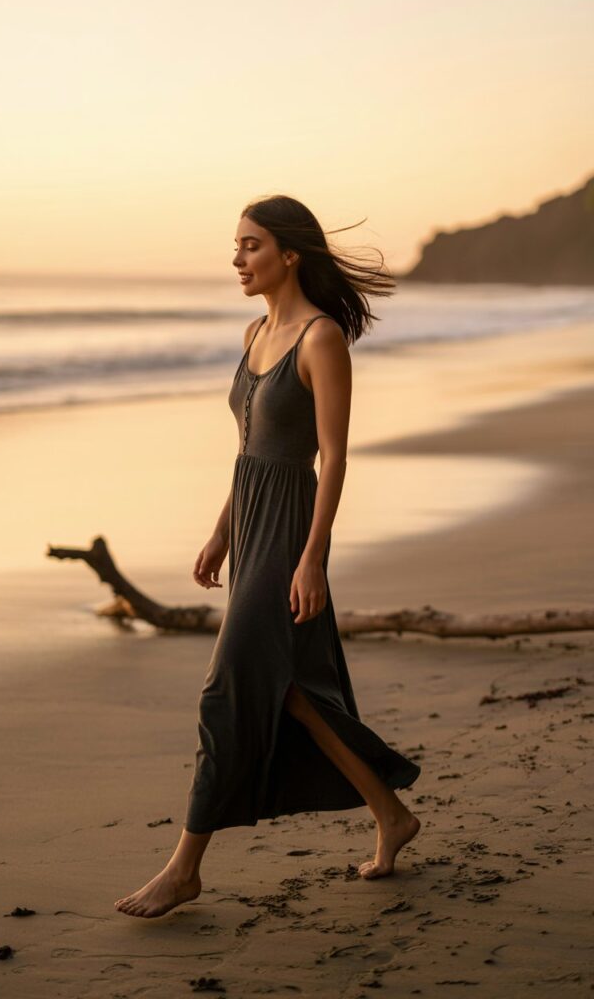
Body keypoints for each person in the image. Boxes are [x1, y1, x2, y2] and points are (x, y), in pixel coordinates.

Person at [115, 195, 421, 920]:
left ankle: (184, 870)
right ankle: (391, 815)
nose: (237, 259)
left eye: (251, 245)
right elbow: (248, 449)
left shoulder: (321, 339)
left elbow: (333, 456)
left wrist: (312, 558)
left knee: (225, 690)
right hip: (251, 524)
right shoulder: (254, 332)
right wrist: (222, 530)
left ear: (289, 254)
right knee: (292, 691)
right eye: (236, 245)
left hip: (289, 532)